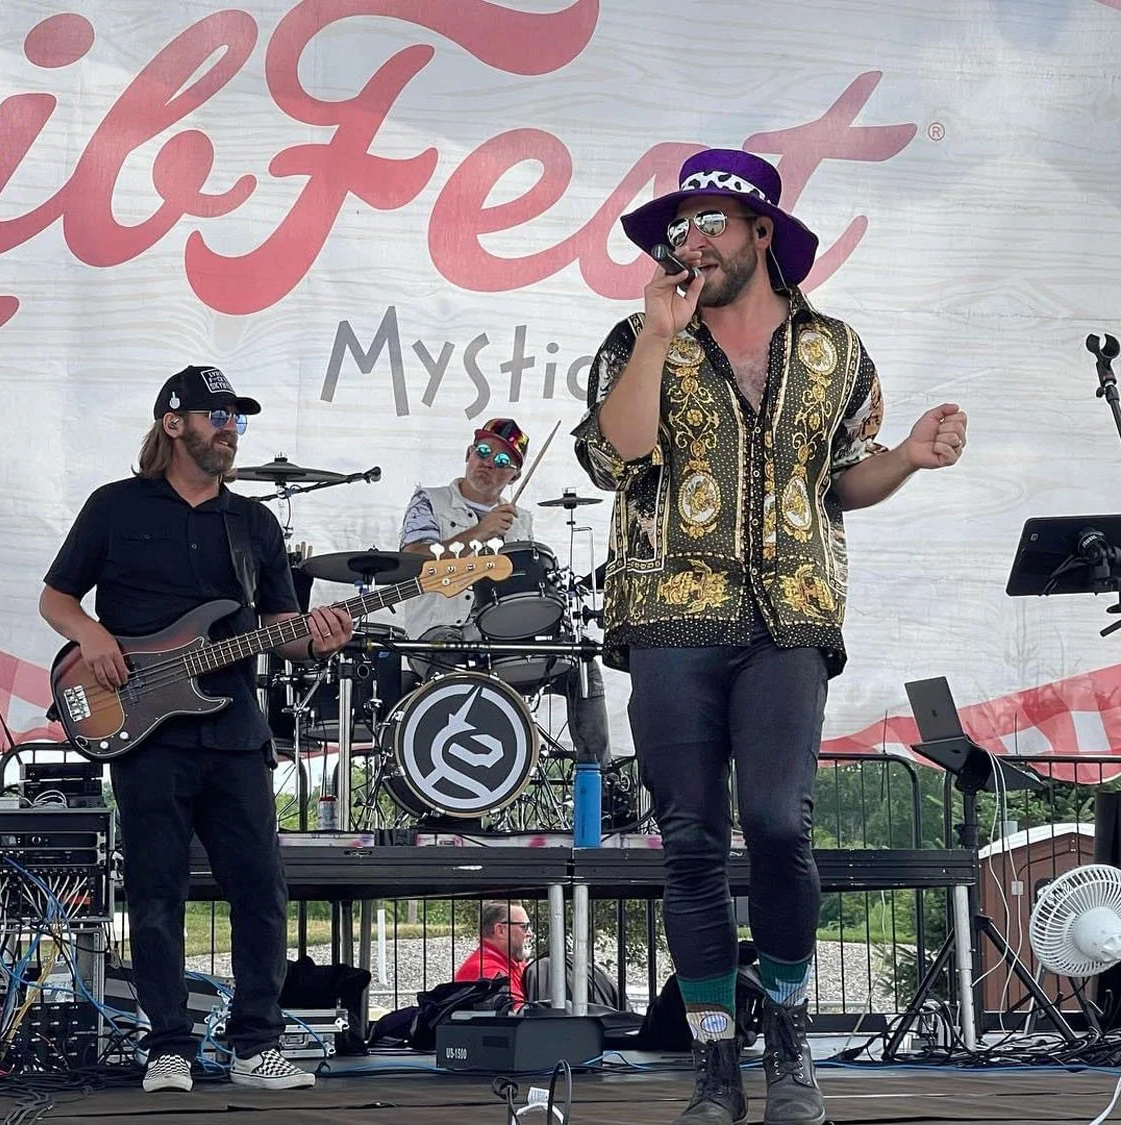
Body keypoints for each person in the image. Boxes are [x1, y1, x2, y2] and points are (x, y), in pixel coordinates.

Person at [573, 150, 968, 1125]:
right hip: (668, 616)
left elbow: (842, 482)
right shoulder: (636, 338)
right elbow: (617, 454)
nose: (693, 240)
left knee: (782, 824)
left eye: (712, 221)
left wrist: (908, 458)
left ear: (761, 232)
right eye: (682, 226)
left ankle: (788, 1032)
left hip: (791, 615)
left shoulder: (836, 351)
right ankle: (715, 1062)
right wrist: (658, 337)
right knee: (691, 841)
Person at [40, 365, 354, 1094]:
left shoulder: (254, 524)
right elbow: (56, 598)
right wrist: (93, 635)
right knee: (156, 894)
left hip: (236, 731)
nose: (230, 429)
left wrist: (317, 641)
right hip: (147, 733)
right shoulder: (114, 506)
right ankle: (168, 1047)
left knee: (262, 891)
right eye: (218, 415)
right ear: (174, 423)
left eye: (237, 418)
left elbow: (282, 629)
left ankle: (256, 1044)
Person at [398, 418, 609, 765]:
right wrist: (478, 533)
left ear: (514, 476)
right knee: (449, 658)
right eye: (483, 451)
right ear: (468, 453)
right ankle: (457, 776)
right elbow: (413, 562)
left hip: (503, 638)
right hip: (440, 634)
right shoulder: (429, 501)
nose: (488, 463)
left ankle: (597, 779)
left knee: (582, 663)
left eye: (502, 461)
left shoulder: (521, 520)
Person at [453, 901, 533, 1009]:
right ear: (500, 930)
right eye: (524, 927)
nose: (530, 933)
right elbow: (519, 1013)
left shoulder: (511, 964)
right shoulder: (488, 971)